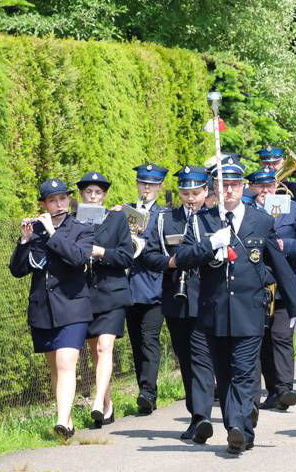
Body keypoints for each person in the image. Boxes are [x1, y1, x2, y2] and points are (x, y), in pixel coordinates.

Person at [176, 157, 296, 455]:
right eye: (223, 186)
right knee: (224, 374)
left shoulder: (260, 220)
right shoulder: (201, 221)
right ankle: (241, 430)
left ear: (243, 186)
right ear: (214, 188)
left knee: (245, 372)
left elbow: (279, 264)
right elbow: (182, 258)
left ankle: (237, 427)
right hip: (215, 312)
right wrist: (210, 243)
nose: (229, 191)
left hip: (250, 310)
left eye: (234, 185)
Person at [9, 178, 94, 441]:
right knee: (55, 367)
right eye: (52, 200)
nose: (58, 204)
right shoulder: (34, 231)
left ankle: (60, 420)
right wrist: (24, 241)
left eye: (62, 199)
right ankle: (66, 421)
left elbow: (78, 258)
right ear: (44, 204)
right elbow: (17, 270)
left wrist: (53, 233)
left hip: (73, 307)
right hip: (43, 310)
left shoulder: (81, 228)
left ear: (69, 199)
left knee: (66, 362)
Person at [147, 164, 212, 440]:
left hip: (208, 296)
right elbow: (148, 255)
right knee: (185, 358)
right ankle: (196, 415)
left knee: (202, 357)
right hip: (177, 297)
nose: (190, 198)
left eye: (195, 193)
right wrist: (171, 262)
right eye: (185, 193)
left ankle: (204, 415)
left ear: (205, 191)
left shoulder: (214, 218)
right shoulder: (166, 219)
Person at [247, 166, 296, 411]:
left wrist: (285, 244)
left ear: (276, 186)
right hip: (257, 284)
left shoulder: (292, 209)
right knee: (262, 340)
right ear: (252, 188)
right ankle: (273, 390)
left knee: (281, 337)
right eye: (260, 186)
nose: (265, 191)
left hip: (284, 283)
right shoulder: (246, 210)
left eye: (269, 186)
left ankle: (285, 388)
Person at [76, 171, 134, 428]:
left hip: (112, 293)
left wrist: (100, 252)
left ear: (104, 195)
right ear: (81, 195)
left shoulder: (117, 219)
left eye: (98, 192)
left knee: (104, 347)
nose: (93, 196)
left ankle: (97, 402)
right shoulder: (74, 221)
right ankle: (107, 405)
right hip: (86, 295)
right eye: (89, 192)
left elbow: (126, 256)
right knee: (94, 352)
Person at [123, 163, 169, 414]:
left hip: (154, 286)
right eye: (143, 183)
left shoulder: (164, 214)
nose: (147, 188)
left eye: (152, 184)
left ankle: (148, 392)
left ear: (160, 186)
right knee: (136, 341)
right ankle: (145, 390)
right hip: (130, 286)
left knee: (149, 339)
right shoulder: (127, 211)